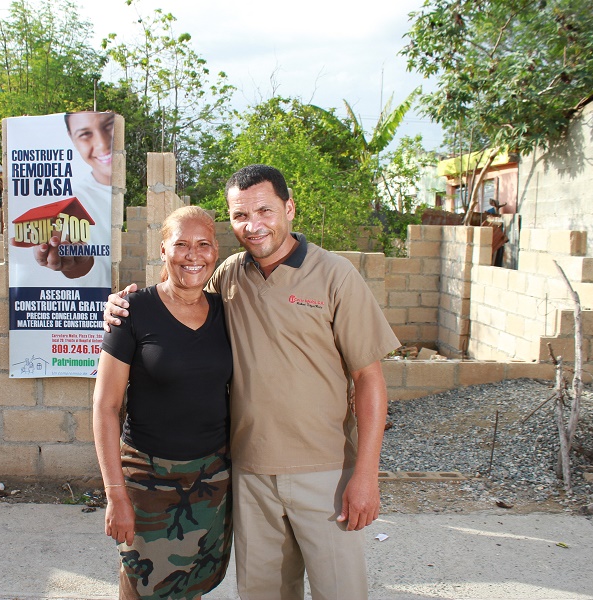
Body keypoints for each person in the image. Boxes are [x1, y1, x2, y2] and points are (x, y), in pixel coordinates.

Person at [106, 165, 400, 599]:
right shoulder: (228, 277)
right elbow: (178, 296)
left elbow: (369, 379)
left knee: (341, 592)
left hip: (325, 473)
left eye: (265, 210)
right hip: (248, 472)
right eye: (241, 215)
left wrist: (367, 476)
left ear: (290, 208)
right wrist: (124, 306)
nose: (254, 224)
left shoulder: (335, 276)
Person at [93, 205, 233, 600]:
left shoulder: (226, 313)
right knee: (141, 585)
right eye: (182, 244)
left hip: (211, 481)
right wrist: (115, 493)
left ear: (215, 252)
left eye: (203, 244)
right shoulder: (133, 311)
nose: (193, 255)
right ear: (163, 250)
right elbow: (105, 407)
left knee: (191, 584)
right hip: (147, 480)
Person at [33, 111, 115, 280]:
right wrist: (76, 265)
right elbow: (90, 271)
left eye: (108, 126)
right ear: (72, 139)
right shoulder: (71, 202)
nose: (102, 143)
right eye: (85, 134)